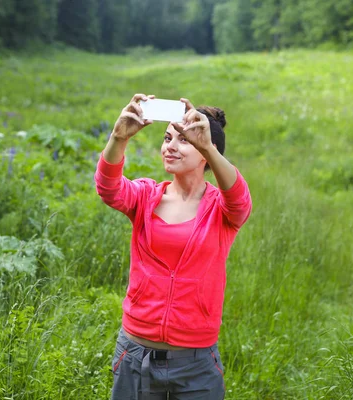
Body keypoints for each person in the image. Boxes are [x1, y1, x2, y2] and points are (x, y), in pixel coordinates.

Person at [95, 94, 252, 400]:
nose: (170, 146)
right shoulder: (145, 196)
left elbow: (240, 199)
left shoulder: (221, 211)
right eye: (167, 138)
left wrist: (207, 144)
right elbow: (108, 188)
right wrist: (118, 136)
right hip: (136, 354)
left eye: (184, 140)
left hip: (196, 363)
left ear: (207, 152)